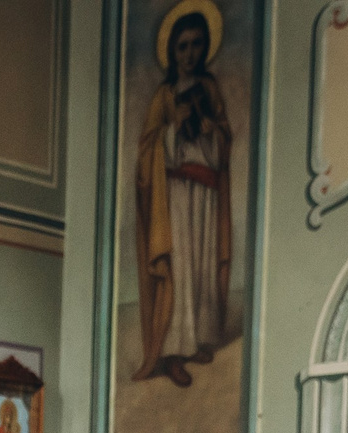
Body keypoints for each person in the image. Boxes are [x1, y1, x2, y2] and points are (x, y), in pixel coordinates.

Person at [132, 3, 231, 387]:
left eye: (196, 45)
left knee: (202, 266)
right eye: (183, 46)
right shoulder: (164, 94)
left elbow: (225, 139)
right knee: (182, 266)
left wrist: (210, 130)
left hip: (204, 191)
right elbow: (147, 148)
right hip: (173, 193)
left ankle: (200, 339)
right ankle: (173, 351)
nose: (190, 53)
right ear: (172, 52)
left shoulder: (209, 89)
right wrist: (172, 130)